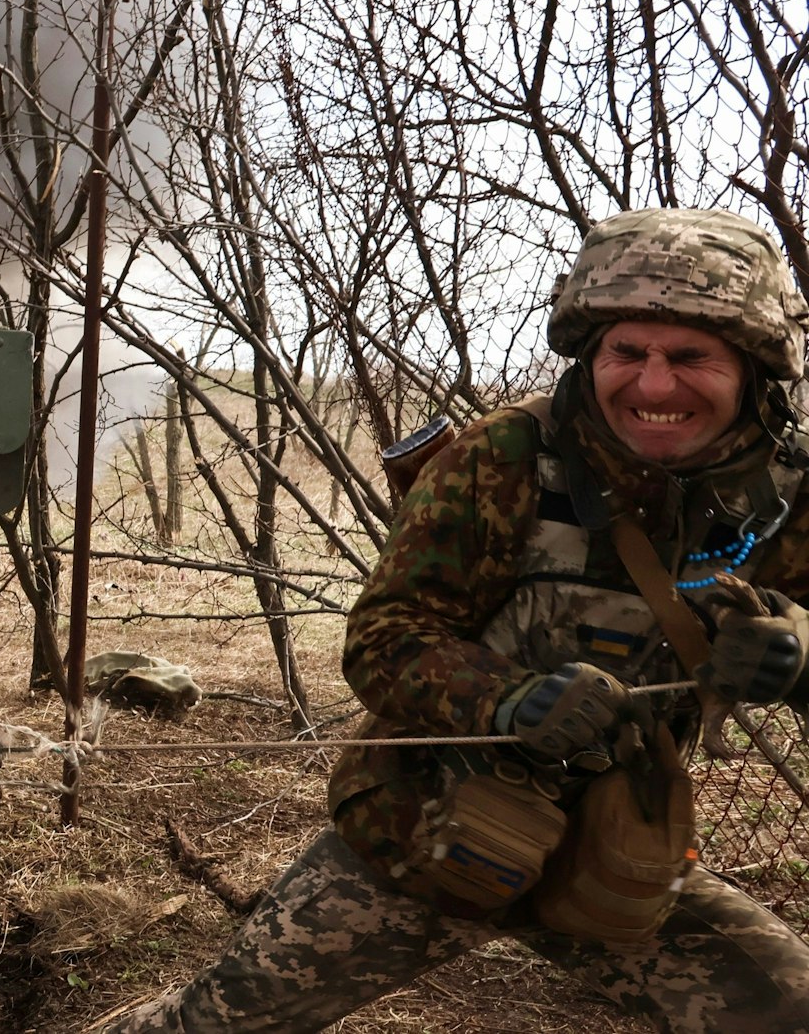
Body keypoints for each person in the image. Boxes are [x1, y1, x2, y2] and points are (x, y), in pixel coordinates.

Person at [99, 208, 809, 1033]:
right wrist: (508, 700)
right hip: (423, 831)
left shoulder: (787, 493)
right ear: (593, 351)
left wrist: (798, 660)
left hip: (615, 850)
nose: (653, 385)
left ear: (754, 367)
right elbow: (382, 639)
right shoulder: (507, 454)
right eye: (628, 352)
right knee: (217, 1025)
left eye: (691, 356)